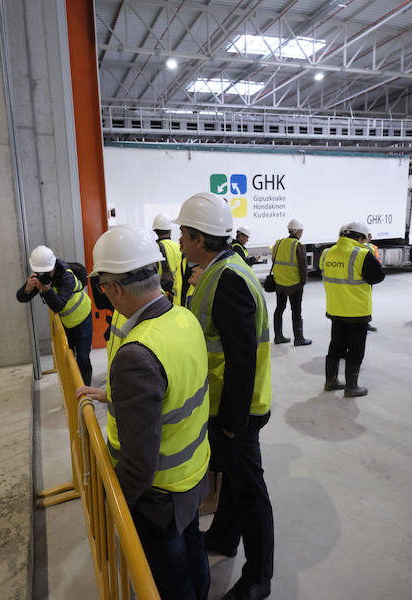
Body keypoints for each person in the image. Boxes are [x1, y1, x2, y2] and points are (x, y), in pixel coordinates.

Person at [75, 224, 211, 599]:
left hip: (159, 497)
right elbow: (173, 391)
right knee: (194, 550)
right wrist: (114, 395)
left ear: (115, 288)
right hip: (193, 474)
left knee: (169, 580)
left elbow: (138, 464)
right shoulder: (183, 318)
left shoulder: (136, 353)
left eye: (102, 286)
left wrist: (113, 502)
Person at [174, 192, 274, 600]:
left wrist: (232, 423)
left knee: (251, 490)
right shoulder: (217, 271)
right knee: (233, 478)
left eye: (183, 233)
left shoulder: (229, 279)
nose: (178, 239)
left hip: (240, 408)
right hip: (228, 404)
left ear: (200, 238)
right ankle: (224, 536)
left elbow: (241, 360)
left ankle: (259, 577)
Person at [320, 222, 385, 396]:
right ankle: (351, 387)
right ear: (359, 238)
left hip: (335, 308)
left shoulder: (327, 253)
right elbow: (378, 277)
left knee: (335, 345)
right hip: (357, 311)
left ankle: (331, 380)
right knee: (355, 349)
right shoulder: (362, 254)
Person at [16, 245, 93, 385]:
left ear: (53, 266)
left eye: (47, 271)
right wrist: (27, 289)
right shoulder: (41, 278)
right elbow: (21, 298)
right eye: (40, 272)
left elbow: (58, 306)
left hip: (82, 319)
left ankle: (86, 390)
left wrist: (46, 289)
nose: (44, 275)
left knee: (83, 357)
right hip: (66, 323)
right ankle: (74, 386)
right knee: (69, 356)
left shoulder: (67, 276)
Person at [270, 219, 311, 346]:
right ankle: (299, 339)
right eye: (301, 231)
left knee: (279, 309)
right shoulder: (298, 245)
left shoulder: (279, 243)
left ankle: (278, 336)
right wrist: (303, 282)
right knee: (296, 311)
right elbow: (303, 267)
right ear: (298, 232)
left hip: (279, 283)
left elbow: (274, 259)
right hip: (294, 285)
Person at [153, 214, 185, 304]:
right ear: (170, 231)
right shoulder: (179, 247)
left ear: (155, 231)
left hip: (161, 297)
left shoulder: (153, 250)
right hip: (178, 294)